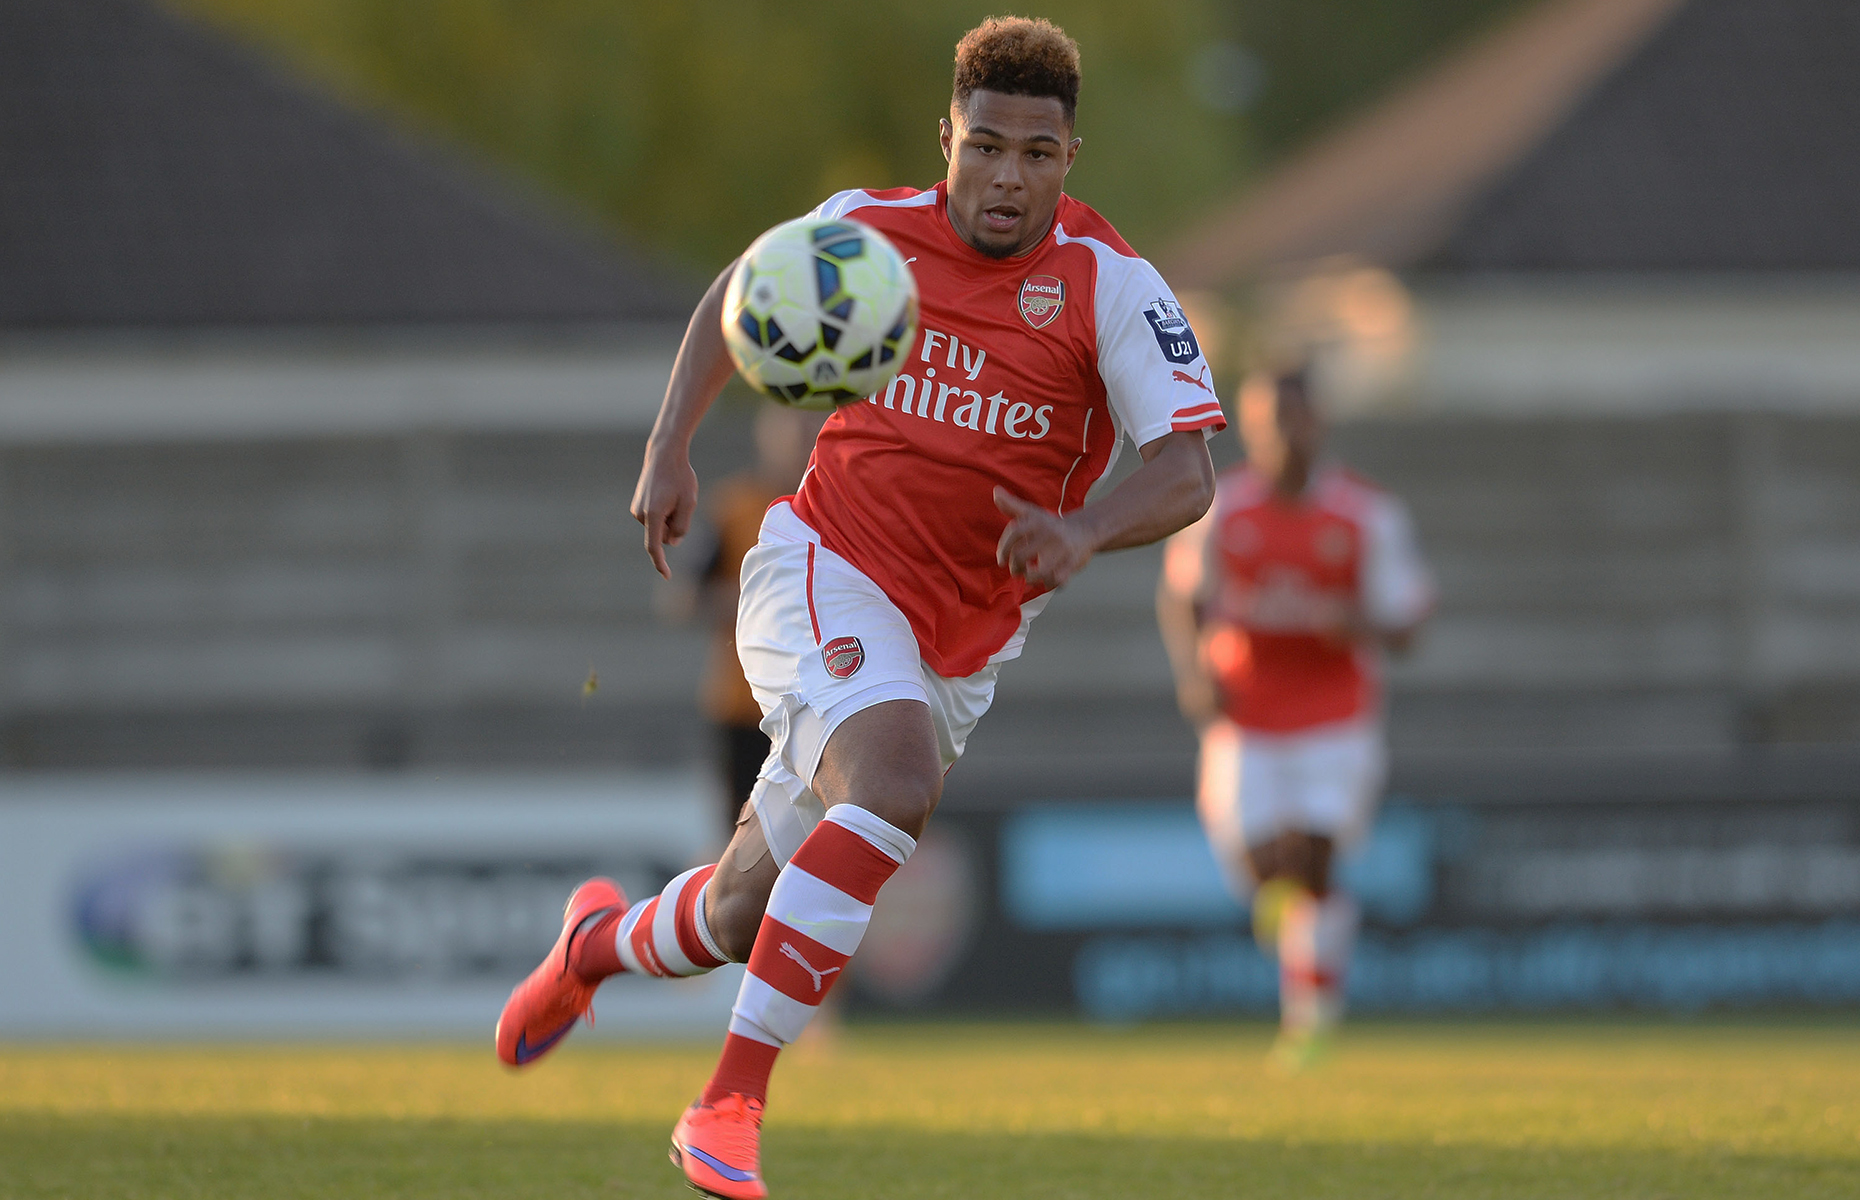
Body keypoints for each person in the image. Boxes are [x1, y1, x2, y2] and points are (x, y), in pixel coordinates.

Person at [495, 17, 1224, 1199]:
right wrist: (671, 445)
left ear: (1070, 159)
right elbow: (739, 293)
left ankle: (591, 949)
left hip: (958, 642)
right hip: (822, 563)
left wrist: (1085, 529)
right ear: (947, 138)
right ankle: (728, 1104)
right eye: (986, 147)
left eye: (1037, 154)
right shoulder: (867, 232)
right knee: (891, 783)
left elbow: (1188, 470)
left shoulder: (1111, 286)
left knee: (737, 913)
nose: (1008, 177)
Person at [1157, 366, 1433, 1069]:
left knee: (1313, 855)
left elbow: (1408, 625)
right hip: (1246, 720)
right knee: (1267, 872)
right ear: (1249, 426)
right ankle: (1306, 949)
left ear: (1320, 422)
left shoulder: (1366, 515)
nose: (1284, 433)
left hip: (1334, 719)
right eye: (1269, 420)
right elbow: (1184, 596)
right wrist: (1195, 674)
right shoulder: (1223, 509)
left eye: (1295, 417)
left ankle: (1310, 1019)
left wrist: (1357, 623)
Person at [674, 405, 829, 843]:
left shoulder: (839, 511)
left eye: (809, 433)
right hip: (746, 707)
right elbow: (685, 598)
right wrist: (763, 602)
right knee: (741, 838)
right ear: (766, 437)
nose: (799, 445)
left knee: (814, 838)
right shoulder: (734, 507)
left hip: (822, 706)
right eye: (791, 433)